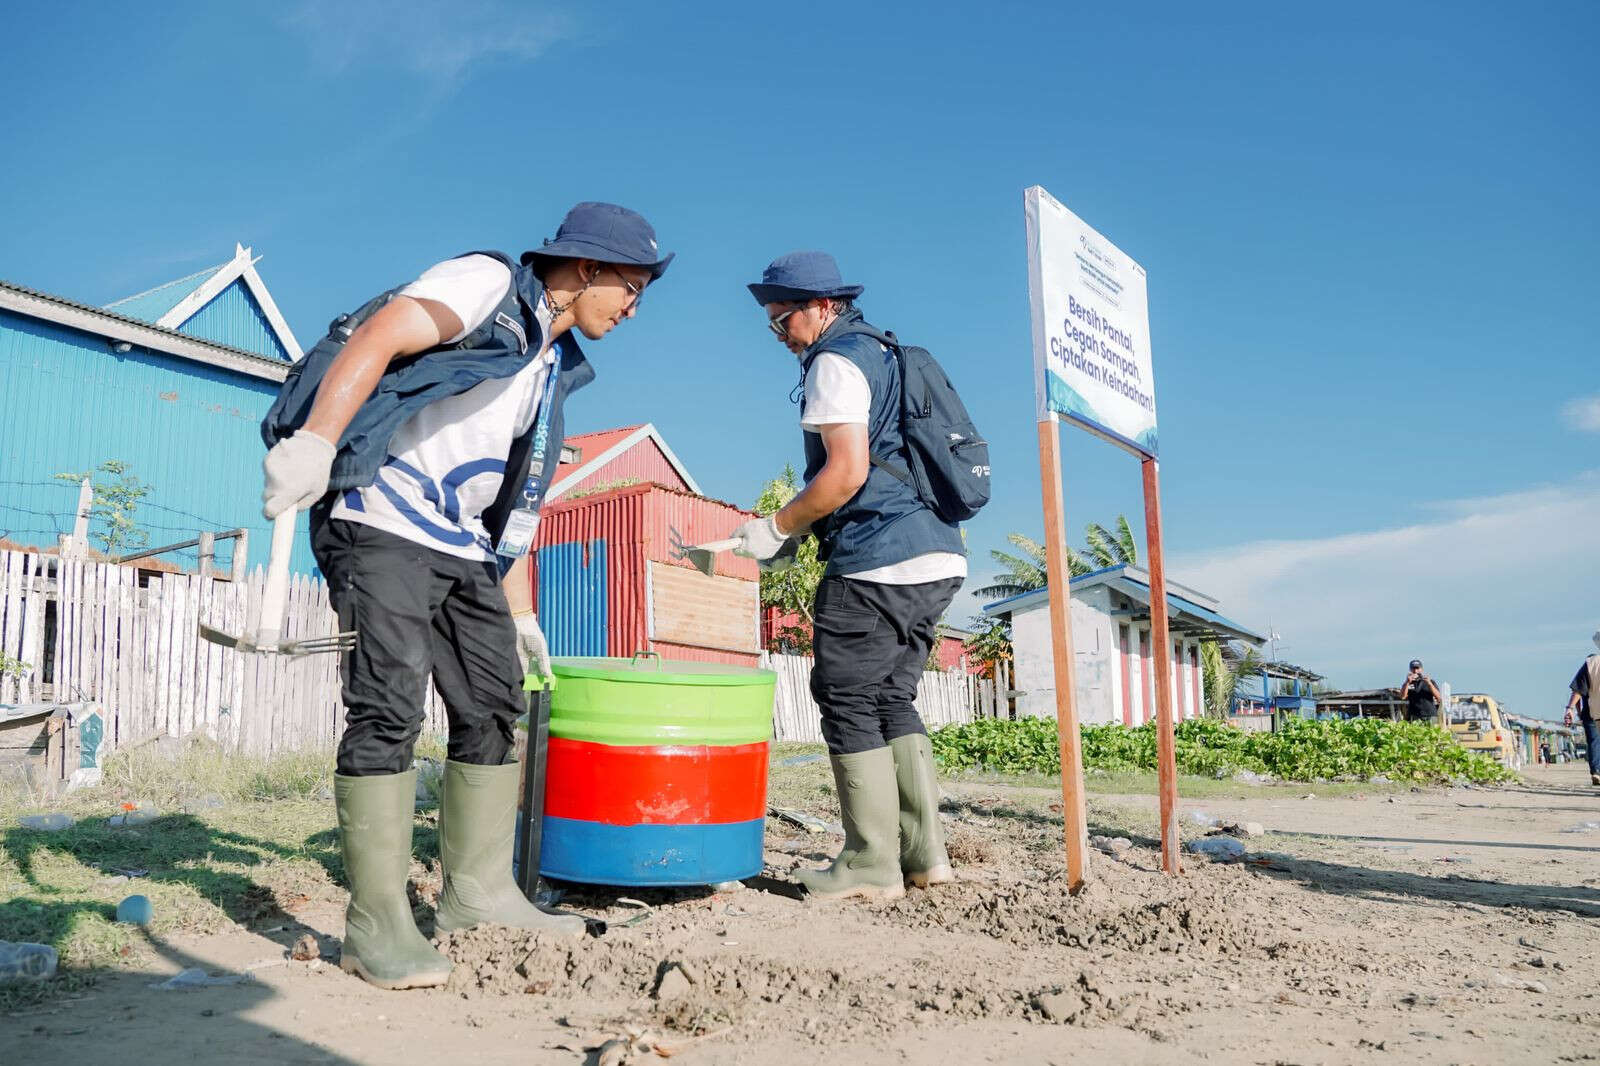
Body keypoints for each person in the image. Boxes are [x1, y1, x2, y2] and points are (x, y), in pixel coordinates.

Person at [258, 203, 671, 988]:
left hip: (463, 547)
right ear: (585, 268)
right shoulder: (486, 285)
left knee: (492, 705)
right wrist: (316, 441)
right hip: (380, 518)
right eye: (631, 287)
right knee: (389, 706)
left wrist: (522, 618)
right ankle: (376, 922)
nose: (632, 307)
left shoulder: (551, 366)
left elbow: (509, 502)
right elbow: (383, 334)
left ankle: (476, 893)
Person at [731, 251, 966, 901]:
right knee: (891, 698)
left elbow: (845, 474)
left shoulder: (835, 361)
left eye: (784, 323)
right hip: (937, 554)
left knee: (847, 696)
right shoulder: (886, 356)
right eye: (774, 327)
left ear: (822, 306)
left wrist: (776, 527)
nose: (782, 338)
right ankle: (924, 855)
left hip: (878, 556)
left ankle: (869, 863)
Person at [1563, 632, 1600, 786]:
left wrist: (1570, 709)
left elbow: (1578, 690)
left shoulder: (1592, 663)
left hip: (1594, 712)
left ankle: (1597, 771)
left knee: (1594, 741)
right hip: (1591, 713)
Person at [1400, 659, 1443, 723]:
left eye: (1417, 668)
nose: (1415, 671)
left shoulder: (1430, 682)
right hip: (1414, 715)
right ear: (1410, 670)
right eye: (1413, 669)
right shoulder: (1407, 683)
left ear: (1421, 669)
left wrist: (1429, 683)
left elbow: (1439, 697)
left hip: (1430, 715)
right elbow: (1403, 697)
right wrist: (1407, 682)